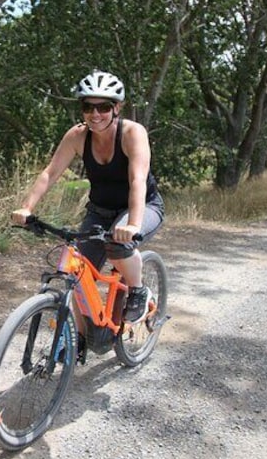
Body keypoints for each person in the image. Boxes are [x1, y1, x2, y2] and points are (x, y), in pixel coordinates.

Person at [11, 70, 165, 329]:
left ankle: (137, 291)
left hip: (143, 206)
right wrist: (26, 208)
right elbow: (50, 173)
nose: (95, 114)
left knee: (118, 246)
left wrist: (133, 225)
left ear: (117, 108)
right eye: (88, 107)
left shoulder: (132, 133)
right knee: (78, 276)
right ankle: (80, 341)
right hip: (100, 211)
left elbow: (137, 180)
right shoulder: (77, 136)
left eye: (103, 107)